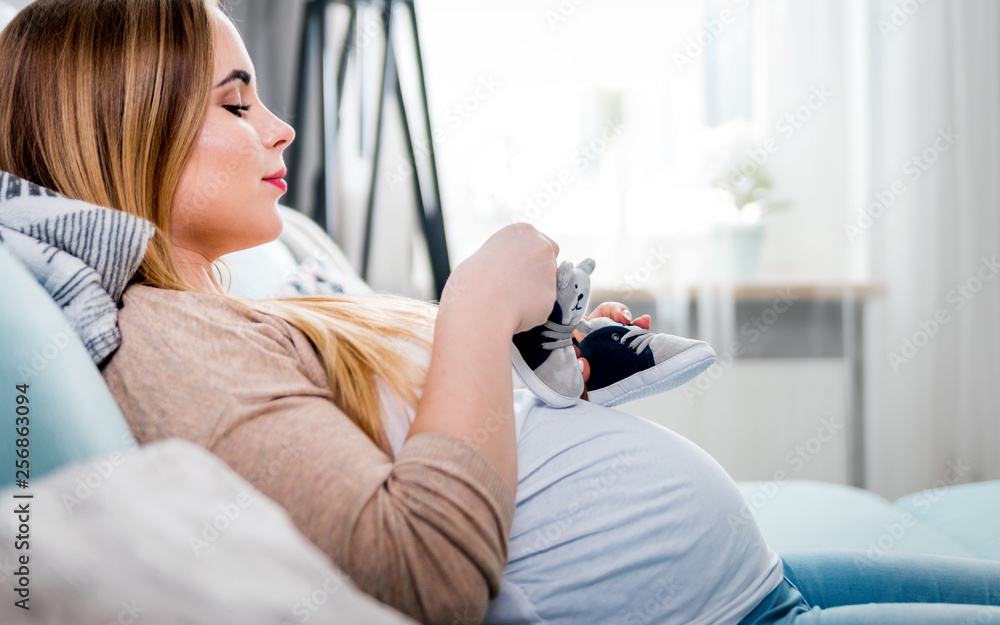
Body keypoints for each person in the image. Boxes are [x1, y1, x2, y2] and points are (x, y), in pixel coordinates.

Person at [0, 1, 998, 624]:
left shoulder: (248, 301)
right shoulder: (170, 346)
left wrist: (529, 377)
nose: (281, 125)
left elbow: (417, 440)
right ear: (123, 129)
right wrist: (473, 311)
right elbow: (418, 575)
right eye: (234, 104)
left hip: (748, 582)